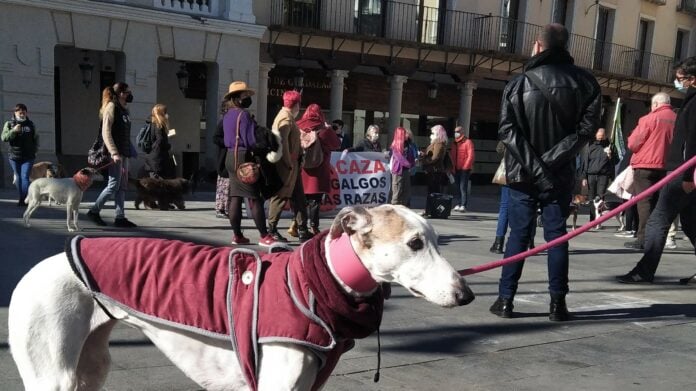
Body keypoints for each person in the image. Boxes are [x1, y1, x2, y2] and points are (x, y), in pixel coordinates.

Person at [489, 23, 601, 322]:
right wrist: (550, 164)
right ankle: (557, 304)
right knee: (556, 236)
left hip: (523, 174)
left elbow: (507, 131)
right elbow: (585, 131)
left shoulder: (517, 83)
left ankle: (504, 300)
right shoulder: (587, 83)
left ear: (539, 46)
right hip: (560, 173)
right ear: (565, 48)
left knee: (518, 235)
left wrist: (535, 166)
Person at [616, 57, 696, 284]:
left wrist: (688, 177)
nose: (678, 82)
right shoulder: (686, 103)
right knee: (691, 223)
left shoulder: (693, 102)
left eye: (681, 79)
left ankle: (645, 270)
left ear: (693, 79)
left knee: (657, 220)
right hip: (678, 171)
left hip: (681, 172)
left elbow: (692, 142)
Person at [221, 81, 276, 246]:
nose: (247, 98)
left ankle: (237, 235)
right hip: (244, 157)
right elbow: (250, 140)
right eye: (245, 96)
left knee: (235, 197)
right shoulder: (243, 115)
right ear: (237, 98)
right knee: (254, 197)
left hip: (230, 157)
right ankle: (265, 236)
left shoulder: (227, 115)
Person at [623, 92, 676, 250]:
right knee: (661, 205)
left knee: (645, 204)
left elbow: (633, 144)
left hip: (646, 166)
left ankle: (643, 239)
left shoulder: (648, 119)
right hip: (668, 167)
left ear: (656, 104)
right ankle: (659, 239)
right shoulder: (677, 119)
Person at [86, 83, 138, 228]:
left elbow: (124, 135)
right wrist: (114, 152)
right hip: (114, 153)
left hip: (123, 153)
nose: (130, 95)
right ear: (121, 93)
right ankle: (94, 211)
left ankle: (120, 217)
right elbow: (106, 132)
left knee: (122, 186)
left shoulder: (124, 110)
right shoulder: (112, 107)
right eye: (128, 92)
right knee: (113, 185)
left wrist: (130, 152)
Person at [267, 90, 312, 242]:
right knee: (281, 196)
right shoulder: (285, 119)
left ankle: (302, 229)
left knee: (299, 198)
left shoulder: (288, 118)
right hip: (287, 166)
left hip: (294, 164)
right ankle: (271, 229)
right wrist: (288, 162)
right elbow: (283, 144)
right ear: (297, 105)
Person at [297, 104, 341, 234]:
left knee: (300, 200)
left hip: (301, 169)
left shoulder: (297, 126)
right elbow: (337, 144)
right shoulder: (323, 129)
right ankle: (314, 226)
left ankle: (299, 226)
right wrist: (329, 129)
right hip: (319, 170)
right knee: (315, 200)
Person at [2, 103, 38, 207]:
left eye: (24, 111)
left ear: (26, 112)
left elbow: (36, 138)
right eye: (19, 111)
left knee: (25, 177)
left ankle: (24, 199)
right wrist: (13, 131)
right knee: (18, 178)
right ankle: (23, 196)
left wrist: (35, 150)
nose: (22, 113)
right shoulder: (9, 124)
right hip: (14, 156)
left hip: (28, 156)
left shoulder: (31, 124)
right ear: (15, 112)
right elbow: (4, 138)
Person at [581, 128, 614, 225]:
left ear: (605, 136)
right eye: (598, 137)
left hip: (603, 175)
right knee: (591, 197)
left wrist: (610, 156)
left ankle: (599, 220)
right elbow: (586, 162)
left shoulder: (610, 146)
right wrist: (584, 177)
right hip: (591, 175)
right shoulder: (591, 146)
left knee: (600, 197)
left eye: (602, 137)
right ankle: (592, 220)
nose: (600, 139)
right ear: (596, 136)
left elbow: (615, 162)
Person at [138, 104, 175, 179]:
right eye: (165, 112)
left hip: (151, 158)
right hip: (158, 160)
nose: (167, 115)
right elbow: (160, 141)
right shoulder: (159, 126)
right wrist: (168, 146)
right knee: (158, 183)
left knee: (154, 182)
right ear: (161, 114)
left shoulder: (151, 124)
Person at [389, 126, 417, 206]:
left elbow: (411, 156)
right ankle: (394, 208)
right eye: (404, 134)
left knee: (407, 191)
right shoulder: (395, 146)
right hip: (398, 171)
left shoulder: (408, 144)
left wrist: (413, 163)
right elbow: (399, 158)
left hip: (406, 170)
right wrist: (409, 164)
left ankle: (403, 207)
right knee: (397, 191)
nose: (406, 135)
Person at [450, 126, 475, 212]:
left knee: (462, 187)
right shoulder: (454, 143)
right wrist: (452, 167)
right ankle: (458, 203)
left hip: (464, 168)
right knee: (457, 186)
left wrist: (465, 167)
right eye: (455, 131)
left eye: (457, 131)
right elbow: (452, 156)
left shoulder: (468, 142)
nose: (455, 133)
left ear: (462, 132)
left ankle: (463, 204)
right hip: (456, 168)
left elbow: (470, 155)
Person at [420, 124, 448, 197]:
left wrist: (425, 161)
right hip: (434, 170)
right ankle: (433, 205)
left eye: (433, 133)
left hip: (435, 170)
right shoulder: (437, 143)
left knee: (433, 190)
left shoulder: (438, 143)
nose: (431, 134)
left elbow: (435, 157)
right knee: (433, 190)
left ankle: (433, 206)